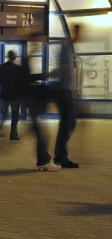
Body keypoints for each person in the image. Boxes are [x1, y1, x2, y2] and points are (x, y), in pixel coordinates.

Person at [49, 25, 81, 168]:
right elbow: (63, 69)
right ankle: (61, 157)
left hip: (66, 91)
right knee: (67, 123)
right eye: (78, 32)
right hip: (63, 91)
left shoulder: (68, 48)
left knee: (69, 123)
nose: (80, 36)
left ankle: (60, 155)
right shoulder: (66, 47)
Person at [0, 50, 24, 140]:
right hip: (15, 96)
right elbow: (21, 83)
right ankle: (13, 134)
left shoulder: (1, 67)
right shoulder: (18, 68)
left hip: (5, 94)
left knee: (5, 112)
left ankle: (1, 126)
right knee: (15, 115)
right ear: (15, 57)